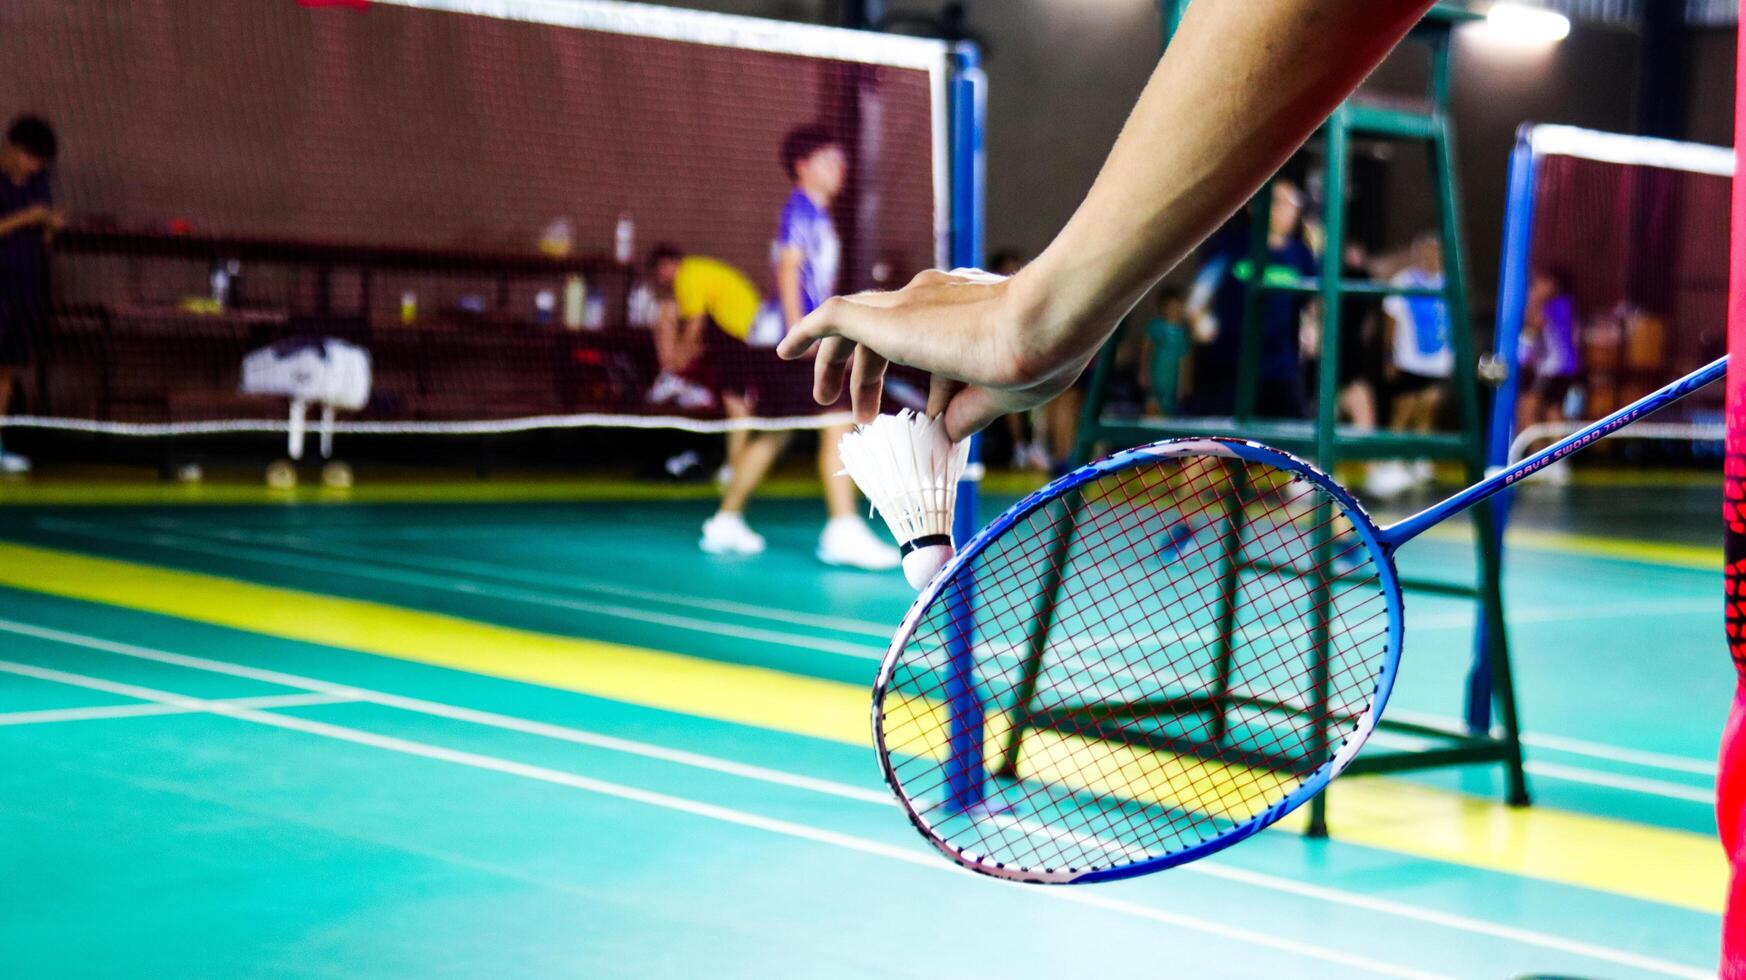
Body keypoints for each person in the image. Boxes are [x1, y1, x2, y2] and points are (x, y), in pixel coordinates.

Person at [696, 127, 898, 570]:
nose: (840, 168)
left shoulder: (816, 216)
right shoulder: (801, 212)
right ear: (804, 166)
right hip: (788, 340)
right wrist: (800, 330)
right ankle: (842, 528)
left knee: (776, 431)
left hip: (782, 339)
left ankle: (725, 521)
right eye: (830, 159)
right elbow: (788, 268)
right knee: (837, 421)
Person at [1184, 179, 1318, 417]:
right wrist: (1203, 325)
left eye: (1292, 204)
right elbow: (1198, 299)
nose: (1287, 210)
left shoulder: (1300, 255)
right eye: (1278, 203)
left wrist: (1311, 331)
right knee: (1211, 442)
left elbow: (1311, 304)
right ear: (1254, 206)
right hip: (1230, 365)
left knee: (1294, 445)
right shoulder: (1231, 247)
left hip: (1280, 367)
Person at [0, 115, 61, 475]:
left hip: (25, 286)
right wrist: (26, 217)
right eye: (29, 156)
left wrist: (49, 224)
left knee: (5, 369)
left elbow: (45, 236)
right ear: (12, 148)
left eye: (40, 161)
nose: (34, 165)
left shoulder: (40, 185)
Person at [1368, 232, 1452, 494]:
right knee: (1404, 409)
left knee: (1427, 408)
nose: (1432, 256)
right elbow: (1390, 318)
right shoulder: (1403, 281)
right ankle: (1391, 460)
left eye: (1437, 251)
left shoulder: (1447, 283)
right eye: (1427, 251)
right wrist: (1389, 356)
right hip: (1407, 360)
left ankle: (1419, 460)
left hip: (1437, 362)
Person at [1139, 287, 1191, 415]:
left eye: (1178, 307)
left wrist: (1184, 383)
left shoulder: (1183, 332)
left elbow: (1185, 359)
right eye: (1172, 307)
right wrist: (1143, 372)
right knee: (1151, 406)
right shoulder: (1155, 326)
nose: (1176, 311)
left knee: (1168, 411)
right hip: (1156, 375)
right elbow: (1146, 350)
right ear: (1164, 308)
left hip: (1172, 380)